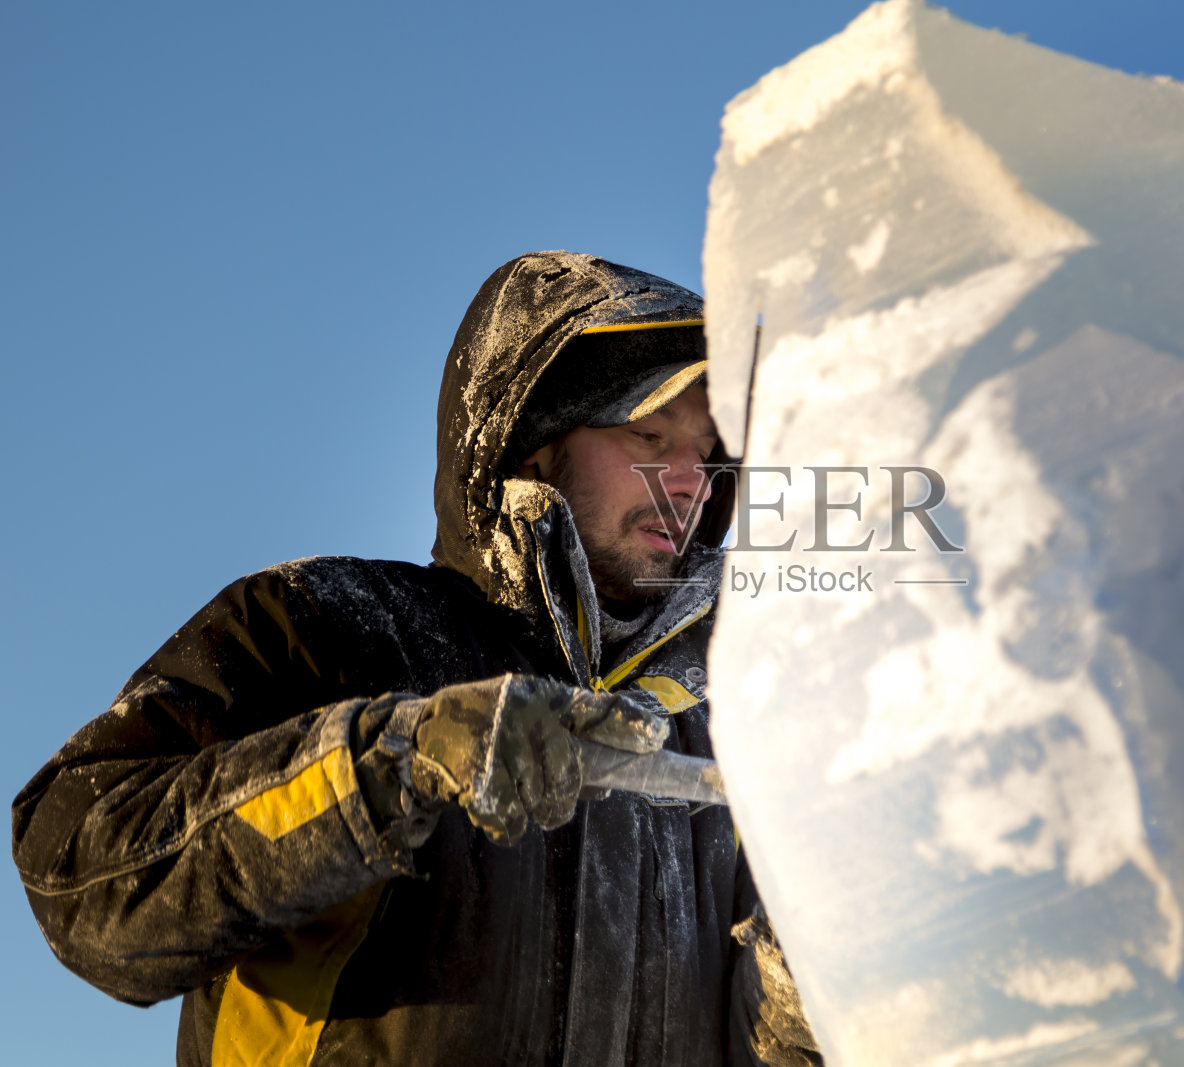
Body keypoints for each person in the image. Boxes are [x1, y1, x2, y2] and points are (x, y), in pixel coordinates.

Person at [12, 252, 821, 1065]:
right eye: (650, 433)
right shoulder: (326, 627)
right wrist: (397, 760)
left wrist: (822, 976)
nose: (690, 481)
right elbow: (76, 867)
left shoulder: (721, 744)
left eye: (710, 450)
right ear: (533, 445)